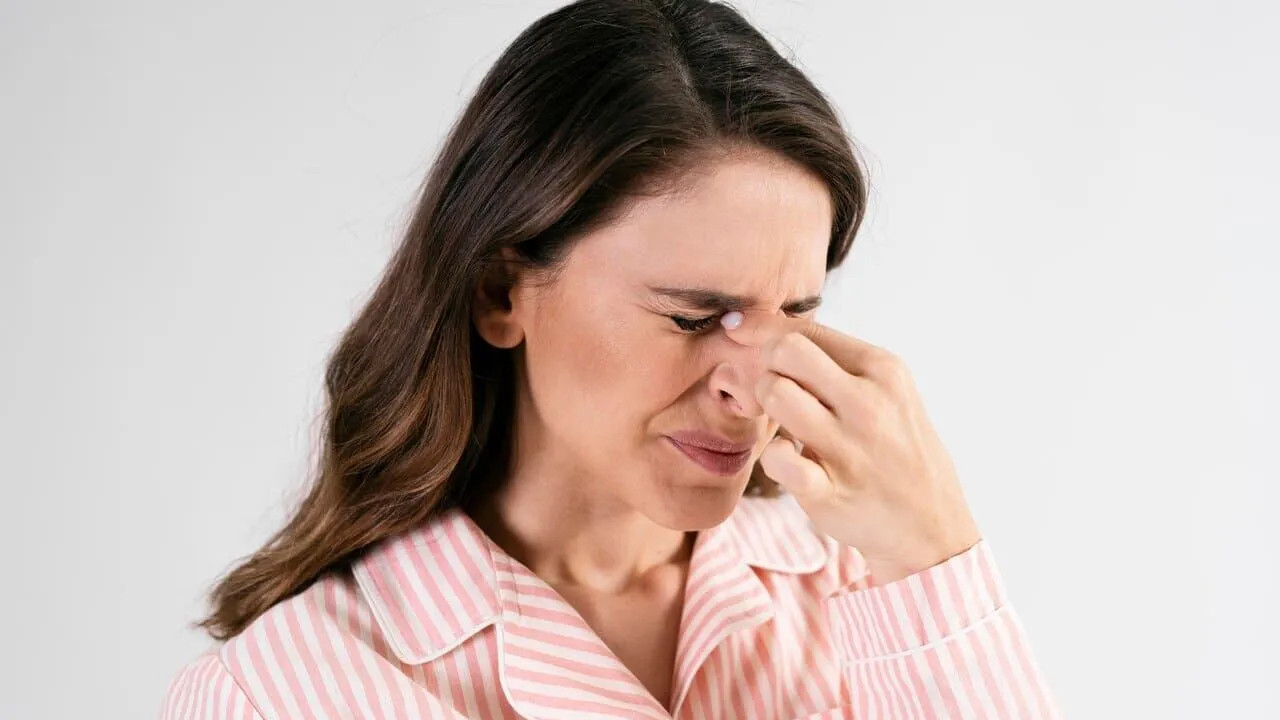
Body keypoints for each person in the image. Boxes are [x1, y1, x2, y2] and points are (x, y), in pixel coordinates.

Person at [160, 0, 1063, 717]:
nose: (752, 387)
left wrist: (937, 561)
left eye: (793, 316)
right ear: (500, 294)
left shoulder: (871, 590)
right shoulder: (283, 696)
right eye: (694, 317)